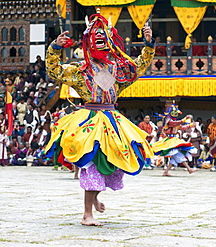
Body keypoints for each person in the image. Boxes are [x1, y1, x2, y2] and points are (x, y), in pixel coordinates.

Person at [44, 12, 155, 226]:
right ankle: (87, 214)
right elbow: (54, 71)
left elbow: (138, 67)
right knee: (91, 164)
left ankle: (93, 199)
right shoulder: (80, 70)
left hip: (112, 120)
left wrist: (149, 44)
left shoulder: (117, 69)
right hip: (90, 121)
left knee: (110, 163)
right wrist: (55, 48)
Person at [151, 102, 197, 176]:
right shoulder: (169, 121)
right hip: (170, 141)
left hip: (174, 140)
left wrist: (190, 125)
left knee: (175, 156)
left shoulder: (175, 123)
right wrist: (185, 118)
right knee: (177, 154)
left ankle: (166, 172)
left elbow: (181, 127)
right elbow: (178, 123)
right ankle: (189, 169)